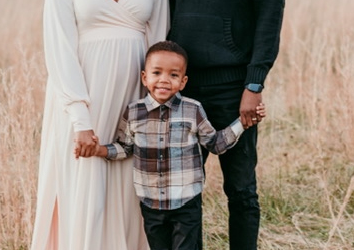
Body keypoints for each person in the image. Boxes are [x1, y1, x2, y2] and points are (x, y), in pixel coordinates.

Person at [157, 0, 286, 250]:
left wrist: (254, 83)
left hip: (234, 88)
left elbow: (271, 11)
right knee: (181, 193)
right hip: (183, 85)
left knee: (242, 190)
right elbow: (163, 0)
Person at [30, 0, 169, 250]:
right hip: (85, 99)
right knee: (86, 185)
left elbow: (159, 42)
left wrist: (155, 106)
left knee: (127, 186)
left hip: (133, 98)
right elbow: (60, 50)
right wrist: (81, 120)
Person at [76, 41, 265, 250]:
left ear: (183, 82)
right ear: (144, 78)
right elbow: (125, 147)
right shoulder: (134, 112)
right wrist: (99, 150)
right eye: (157, 73)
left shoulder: (193, 110)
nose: (164, 80)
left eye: (173, 75)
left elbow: (215, 144)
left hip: (186, 203)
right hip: (151, 203)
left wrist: (242, 124)